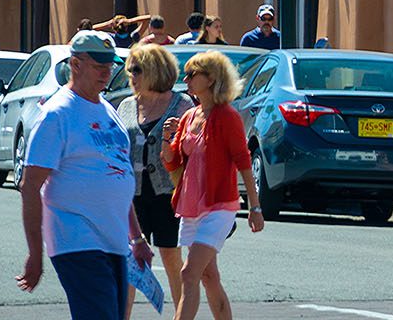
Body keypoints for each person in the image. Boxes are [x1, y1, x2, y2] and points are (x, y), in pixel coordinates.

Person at [16, 31, 152, 320]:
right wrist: (35, 253)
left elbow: (118, 173)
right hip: (76, 239)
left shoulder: (108, 110)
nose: (106, 72)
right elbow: (30, 187)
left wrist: (137, 238)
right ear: (75, 64)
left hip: (114, 242)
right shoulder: (57, 114)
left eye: (110, 65)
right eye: (98, 65)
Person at [164, 50, 264, 320]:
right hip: (191, 205)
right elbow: (172, 162)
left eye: (192, 74)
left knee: (189, 273)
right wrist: (167, 139)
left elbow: (243, 161)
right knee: (209, 276)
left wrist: (255, 207)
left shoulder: (226, 116)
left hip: (219, 205)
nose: (186, 79)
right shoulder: (190, 116)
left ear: (211, 79)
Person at [117, 42, 196, 311]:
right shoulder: (126, 106)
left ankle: (181, 315)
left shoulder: (181, 104)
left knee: (172, 260)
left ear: (154, 70)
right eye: (129, 71)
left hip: (167, 196)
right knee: (129, 264)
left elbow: (191, 150)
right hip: (132, 196)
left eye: (137, 70)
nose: (132, 76)